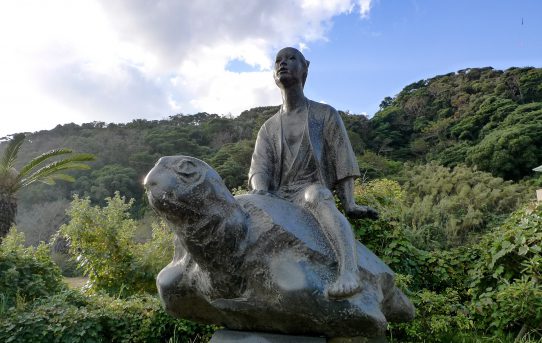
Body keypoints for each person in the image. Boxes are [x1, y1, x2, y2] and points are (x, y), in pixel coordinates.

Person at [248, 47, 378, 299]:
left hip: (310, 190)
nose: (283, 64)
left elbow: (342, 157)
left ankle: (348, 271)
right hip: (277, 196)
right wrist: (260, 192)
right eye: (278, 60)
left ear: (305, 67)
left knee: (316, 194)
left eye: (291, 58)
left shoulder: (324, 114)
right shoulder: (268, 127)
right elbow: (259, 167)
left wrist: (349, 203)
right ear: (273, 74)